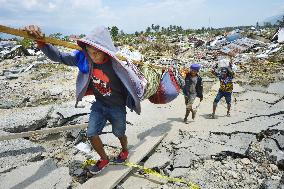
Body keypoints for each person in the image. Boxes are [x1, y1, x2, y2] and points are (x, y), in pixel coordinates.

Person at [23, 25, 143, 175]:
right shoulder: (84, 57)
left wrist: (136, 98)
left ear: (105, 51)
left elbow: (136, 83)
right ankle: (104, 159)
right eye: (90, 52)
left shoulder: (118, 64)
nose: (93, 56)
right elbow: (60, 57)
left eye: (96, 53)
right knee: (92, 133)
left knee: (119, 133)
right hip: (99, 104)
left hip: (117, 107)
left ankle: (125, 150)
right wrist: (41, 43)